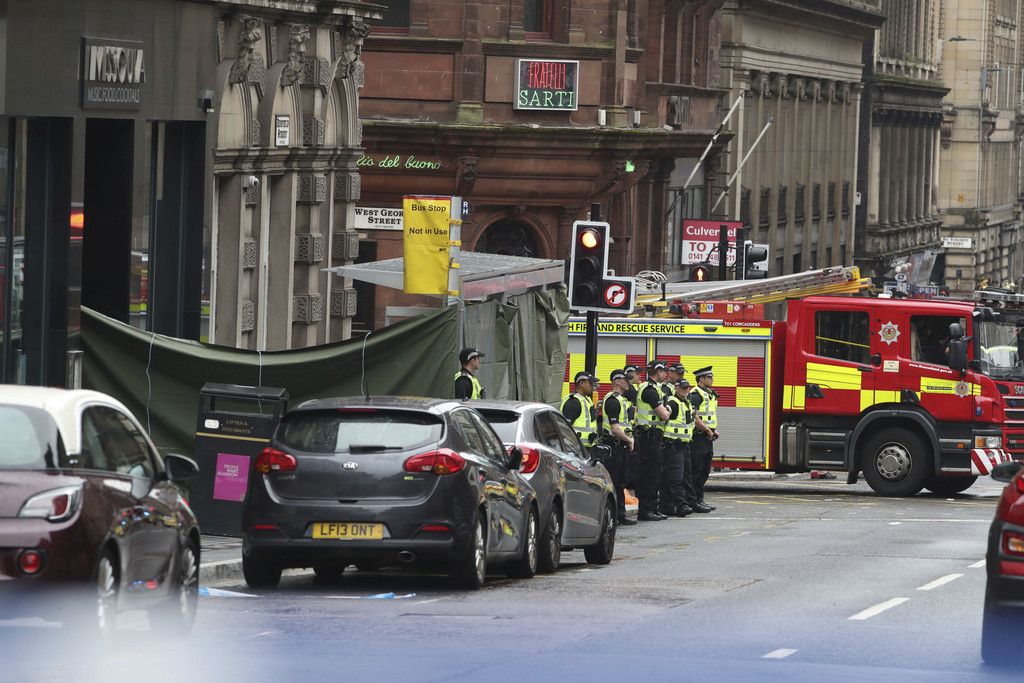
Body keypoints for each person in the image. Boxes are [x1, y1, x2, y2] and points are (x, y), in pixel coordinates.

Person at [631, 360, 671, 521]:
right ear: (657, 372)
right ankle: (646, 509)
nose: (666, 374)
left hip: (653, 436)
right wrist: (668, 410)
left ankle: (653, 508)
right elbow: (664, 415)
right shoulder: (649, 390)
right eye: (664, 371)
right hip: (648, 437)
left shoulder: (655, 389)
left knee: (654, 473)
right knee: (648, 474)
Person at [600, 369, 637, 526]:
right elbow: (615, 428)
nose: (629, 383)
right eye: (626, 380)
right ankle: (612, 517)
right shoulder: (612, 401)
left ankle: (620, 515)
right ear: (617, 381)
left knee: (621, 482)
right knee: (614, 482)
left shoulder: (622, 400)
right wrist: (629, 440)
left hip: (621, 446)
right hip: (614, 446)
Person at [660, 378, 695, 518]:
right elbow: (665, 416)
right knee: (676, 477)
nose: (686, 390)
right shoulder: (673, 402)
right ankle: (681, 505)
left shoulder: (686, 403)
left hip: (683, 445)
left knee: (680, 476)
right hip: (673, 445)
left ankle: (666, 506)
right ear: (676, 388)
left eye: (688, 387)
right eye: (683, 387)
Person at [687, 366, 719, 513]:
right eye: (709, 377)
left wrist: (713, 430)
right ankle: (692, 501)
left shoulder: (709, 394)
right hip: (698, 436)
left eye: (712, 377)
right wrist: (707, 430)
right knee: (696, 469)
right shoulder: (695, 394)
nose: (712, 379)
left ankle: (699, 499)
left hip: (707, 435)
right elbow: (693, 416)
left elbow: (709, 416)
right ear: (701, 379)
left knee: (705, 469)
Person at [561, 371, 598, 450]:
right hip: (575, 449)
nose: (592, 386)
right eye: (590, 383)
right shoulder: (573, 402)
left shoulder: (586, 399)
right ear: (581, 383)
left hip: (585, 448)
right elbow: (564, 429)